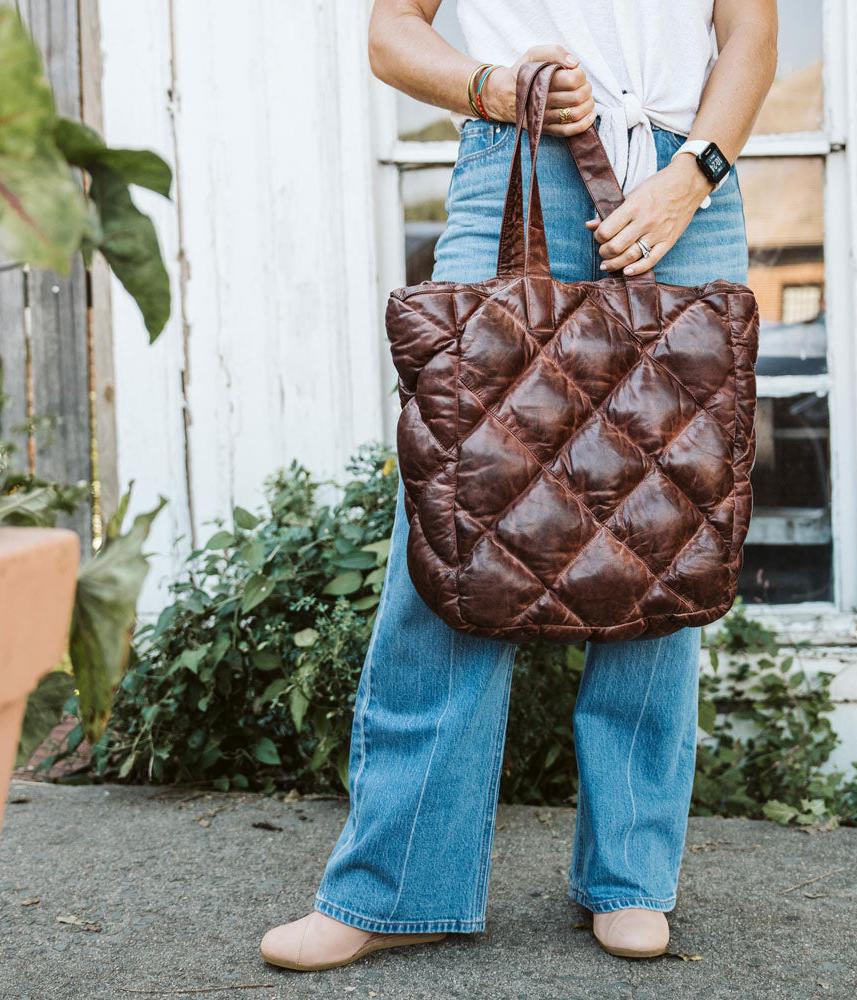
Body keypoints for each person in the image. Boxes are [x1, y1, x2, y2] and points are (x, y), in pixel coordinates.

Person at [261, 0, 777, 970]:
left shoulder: (691, 177)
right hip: (516, 153)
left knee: (663, 525)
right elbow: (391, 32)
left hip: (686, 179)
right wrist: (493, 88)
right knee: (462, 510)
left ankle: (630, 876)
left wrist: (693, 174)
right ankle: (396, 886)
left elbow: (749, 30)